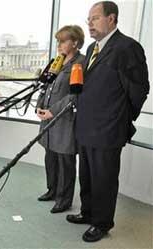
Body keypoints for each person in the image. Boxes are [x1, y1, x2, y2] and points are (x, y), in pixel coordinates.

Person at [66, 1, 150, 242]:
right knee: (88, 175)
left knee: (104, 178)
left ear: (111, 18)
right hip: (86, 126)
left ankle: (102, 223)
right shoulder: (93, 47)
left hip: (108, 129)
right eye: (88, 19)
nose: (89, 23)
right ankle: (87, 212)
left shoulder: (127, 48)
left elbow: (139, 89)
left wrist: (121, 117)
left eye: (94, 18)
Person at [36, 25, 85, 214]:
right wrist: (39, 106)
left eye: (63, 41)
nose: (59, 45)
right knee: (51, 157)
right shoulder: (58, 61)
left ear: (75, 42)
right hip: (48, 119)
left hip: (64, 120)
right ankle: (52, 190)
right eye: (58, 41)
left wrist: (52, 111)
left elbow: (74, 95)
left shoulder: (80, 63)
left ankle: (64, 200)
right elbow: (46, 86)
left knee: (66, 162)